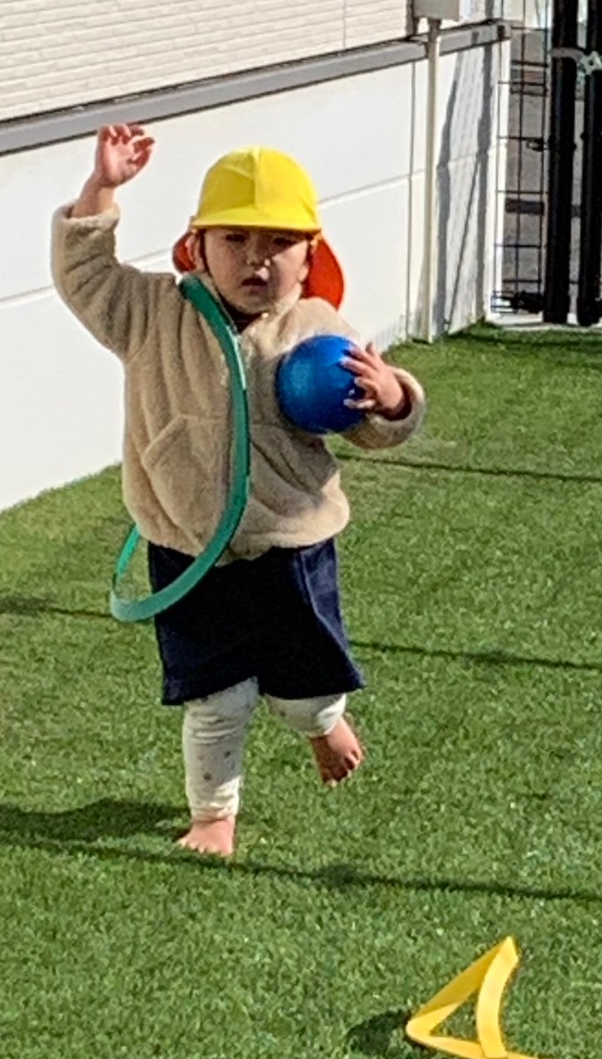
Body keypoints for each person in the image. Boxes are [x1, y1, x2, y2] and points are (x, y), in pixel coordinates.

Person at [52, 124, 425, 856]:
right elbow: (84, 277)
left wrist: (391, 398)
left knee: (302, 688)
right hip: (188, 547)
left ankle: (322, 720)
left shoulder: (317, 328)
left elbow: (371, 425)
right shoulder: (153, 312)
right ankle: (212, 814)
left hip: (291, 542)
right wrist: (101, 190)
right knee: (216, 697)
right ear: (196, 247)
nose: (257, 259)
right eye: (236, 240)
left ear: (310, 255)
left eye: (280, 243)